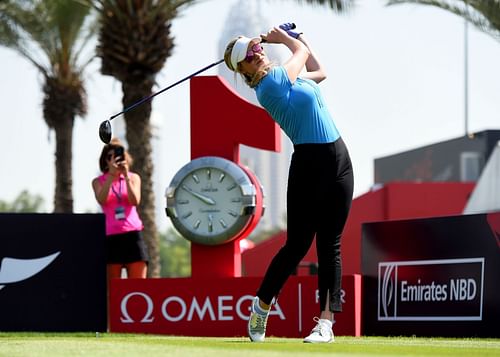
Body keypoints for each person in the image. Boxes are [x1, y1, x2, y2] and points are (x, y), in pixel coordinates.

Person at [223, 26, 354, 343]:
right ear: (246, 68)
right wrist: (284, 38)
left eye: (256, 47)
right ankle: (262, 306)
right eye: (252, 52)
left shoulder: (287, 79)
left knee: (329, 244)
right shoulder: (269, 86)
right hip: (309, 165)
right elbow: (302, 56)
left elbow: (319, 71)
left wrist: (300, 38)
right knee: (297, 246)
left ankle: (325, 324)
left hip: (338, 159)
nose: (259, 51)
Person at [92, 138, 149, 283]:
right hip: (111, 236)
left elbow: (135, 200)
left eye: (119, 156)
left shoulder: (133, 177)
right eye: (110, 157)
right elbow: (102, 199)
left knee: (138, 285)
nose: (115, 160)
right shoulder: (99, 181)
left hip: (132, 235)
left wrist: (126, 176)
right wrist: (111, 175)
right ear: (105, 160)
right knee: (113, 287)